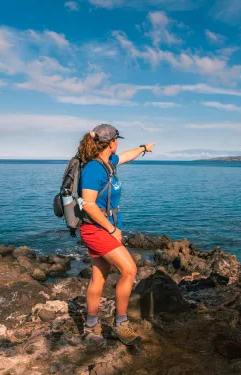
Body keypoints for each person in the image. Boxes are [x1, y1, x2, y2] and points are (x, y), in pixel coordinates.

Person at [77, 123, 154, 345]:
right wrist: (112, 229)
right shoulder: (93, 169)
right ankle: (121, 324)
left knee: (99, 276)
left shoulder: (108, 162)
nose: (118, 144)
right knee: (129, 269)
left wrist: (143, 148)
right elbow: (89, 204)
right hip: (96, 229)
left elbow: (126, 156)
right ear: (111, 143)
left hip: (102, 228)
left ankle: (91, 326)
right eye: (116, 140)